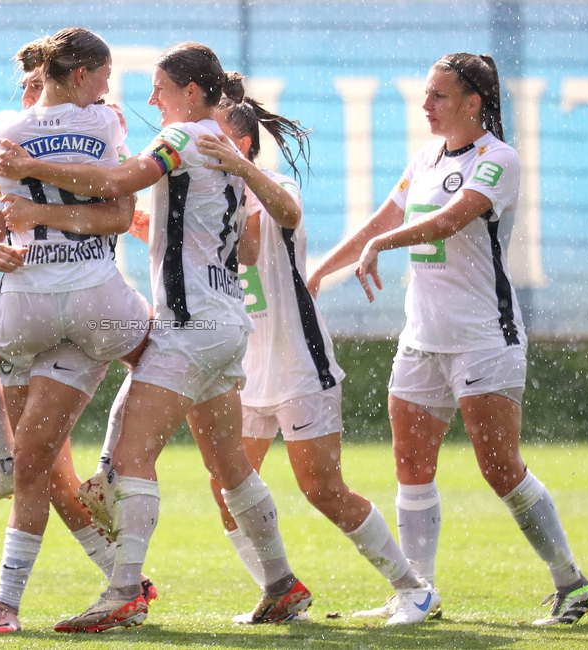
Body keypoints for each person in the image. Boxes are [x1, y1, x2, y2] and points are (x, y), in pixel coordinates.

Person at [0, 42, 311, 633]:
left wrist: (31, 169)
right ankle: (281, 582)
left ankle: (123, 593)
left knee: (130, 457)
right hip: (224, 325)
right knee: (230, 466)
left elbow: (118, 179)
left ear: (190, 93)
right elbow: (256, 234)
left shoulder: (185, 138)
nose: (149, 99)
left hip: (188, 329)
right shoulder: (217, 145)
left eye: (159, 89)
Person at [306, 53, 588, 626]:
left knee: (499, 467)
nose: (426, 105)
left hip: (484, 336)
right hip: (424, 336)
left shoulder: (499, 159)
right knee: (411, 465)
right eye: (426, 93)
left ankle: (572, 583)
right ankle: (419, 592)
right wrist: (324, 268)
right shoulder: (424, 156)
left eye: (439, 96)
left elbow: (449, 220)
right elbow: (378, 222)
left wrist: (379, 248)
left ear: (474, 102)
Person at [192, 81, 439, 625]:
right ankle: (279, 593)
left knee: (323, 490)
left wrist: (233, 172)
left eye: (214, 136)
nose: (200, 143)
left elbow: (253, 244)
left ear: (242, 143)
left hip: (300, 364)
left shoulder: (271, 185)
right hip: (245, 370)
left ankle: (414, 589)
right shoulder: (210, 199)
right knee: (226, 486)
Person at [0, 27, 152, 634]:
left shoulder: (4, 129)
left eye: (35, 81)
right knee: (46, 462)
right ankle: (119, 564)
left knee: (35, 460)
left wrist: (35, 204)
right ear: (78, 76)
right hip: (82, 307)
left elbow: (99, 203)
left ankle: (11, 602)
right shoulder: (102, 122)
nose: (108, 94)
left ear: (46, 77)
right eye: (102, 80)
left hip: (27, 316)